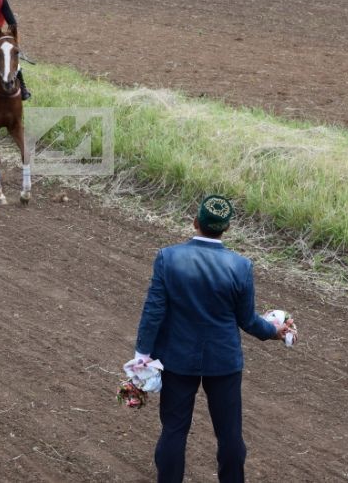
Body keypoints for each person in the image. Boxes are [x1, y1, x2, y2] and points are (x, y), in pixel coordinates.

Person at [133, 195, 295, 483]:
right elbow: (247, 320)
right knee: (230, 434)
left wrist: (141, 354)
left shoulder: (168, 257)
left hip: (177, 360)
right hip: (224, 362)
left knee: (174, 431)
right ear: (226, 228)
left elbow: (153, 311)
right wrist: (274, 331)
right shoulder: (240, 266)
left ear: (195, 222)